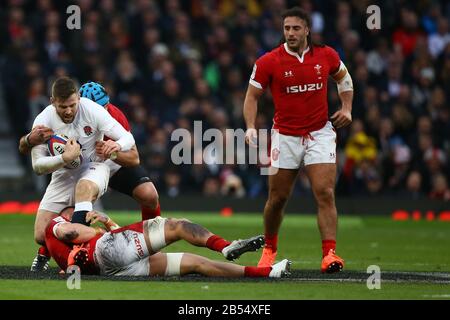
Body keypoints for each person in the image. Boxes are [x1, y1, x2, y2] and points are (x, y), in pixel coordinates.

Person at [243, 7, 353, 273]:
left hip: (319, 133)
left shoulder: (327, 55)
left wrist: (347, 107)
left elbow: (344, 78)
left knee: (325, 193)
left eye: (295, 28)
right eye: (286, 28)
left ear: (307, 30)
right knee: (278, 198)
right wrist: (250, 127)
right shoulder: (269, 61)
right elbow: (251, 97)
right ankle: (269, 249)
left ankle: (329, 255)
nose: (290, 33)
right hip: (284, 136)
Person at [18, 76, 136, 271]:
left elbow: (128, 137)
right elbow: (38, 167)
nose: (69, 111)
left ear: (78, 99)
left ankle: (76, 258)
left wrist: (116, 144)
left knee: (84, 188)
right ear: (52, 101)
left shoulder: (92, 110)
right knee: (41, 235)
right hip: (62, 175)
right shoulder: (43, 121)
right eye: (63, 107)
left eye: (73, 105)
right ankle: (97, 234)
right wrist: (63, 159)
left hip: (94, 168)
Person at [45, 207, 291, 278]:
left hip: (113, 269)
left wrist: (108, 223)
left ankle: (266, 273)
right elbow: (68, 232)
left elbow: (72, 265)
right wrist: (91, 229)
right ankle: (225, 246)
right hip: (108, 250)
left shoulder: (62, 256)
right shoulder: (54, 223)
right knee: (177, 226)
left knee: (196, 263)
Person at [78, 81, 161, 220]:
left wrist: (112, 153)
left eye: (106, 106)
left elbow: (134, 158)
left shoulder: (114, 114)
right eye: (99, 108)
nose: (104, 112)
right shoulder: (72, 118)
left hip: (110, 163)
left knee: (149, 195)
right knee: (76, 210)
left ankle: (151, 235)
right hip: (82, 167)